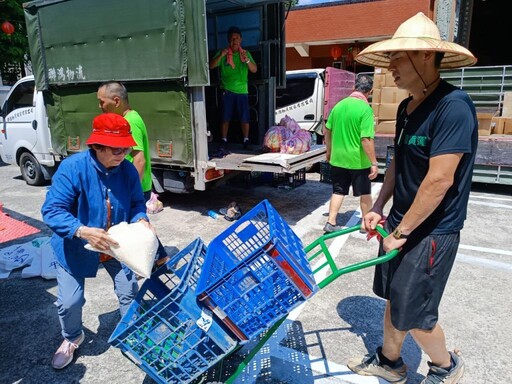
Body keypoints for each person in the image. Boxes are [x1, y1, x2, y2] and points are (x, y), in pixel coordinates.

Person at [347, 13, 478, 384]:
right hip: (400, 221)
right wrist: (377, 208)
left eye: (398, 57)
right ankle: (390, 363)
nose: (390, 67)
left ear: (425, 56)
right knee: (394, 298)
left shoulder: (453, 106)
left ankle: (447, 367)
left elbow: (439, 180)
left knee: (416, 314)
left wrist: (401, 232)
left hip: (432, 231)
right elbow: (396, 166)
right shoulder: (406, 108)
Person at [42, 113, 155, 369]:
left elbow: (138, 202)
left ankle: (132, 334)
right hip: (75, 245)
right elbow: (52, 210)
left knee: (128, 291)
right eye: (117, 148)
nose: (124, 153)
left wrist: (140, 218)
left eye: (127, 147)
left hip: (117, 243)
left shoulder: (126, 169)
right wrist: (81, 230)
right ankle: (72, 337)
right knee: (70, 301)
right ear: (96, 146)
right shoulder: (73, 168)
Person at [97, 81, 167, 263]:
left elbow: (139, 159)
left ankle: (153, 259)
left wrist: (131, 190)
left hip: (134, 186)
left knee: (133, 224)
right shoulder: (131, 117)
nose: (100, 106)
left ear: (116, 101)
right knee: (137, 224)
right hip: (134, 184)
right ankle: (160, 258)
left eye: (102, 102)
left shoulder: (130, 122)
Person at [323, 74, 378, 233]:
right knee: (365, 193)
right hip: (358, 161)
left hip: (338, 159)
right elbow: (366, 139)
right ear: (370, 91)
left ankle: (331, 222)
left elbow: (327, 130)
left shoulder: (339, 106)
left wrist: (329, 152)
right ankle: (364, 224)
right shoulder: (365, 109)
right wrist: (374, 162)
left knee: (338, 191)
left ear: (354, 88)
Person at [209, 26, 257, 149]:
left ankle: (246, 140)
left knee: (244, 118)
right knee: (225, 117)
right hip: (227, 90)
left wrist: (247, 61)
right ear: (228, 40)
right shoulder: (223, 53)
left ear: (241, 39)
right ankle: (224, 140)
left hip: (242, 91)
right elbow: (211, 66)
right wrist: (221, 55)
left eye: (236, 38)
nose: (234, 41)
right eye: (231, 39)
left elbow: (254, 69)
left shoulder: (246, 54)